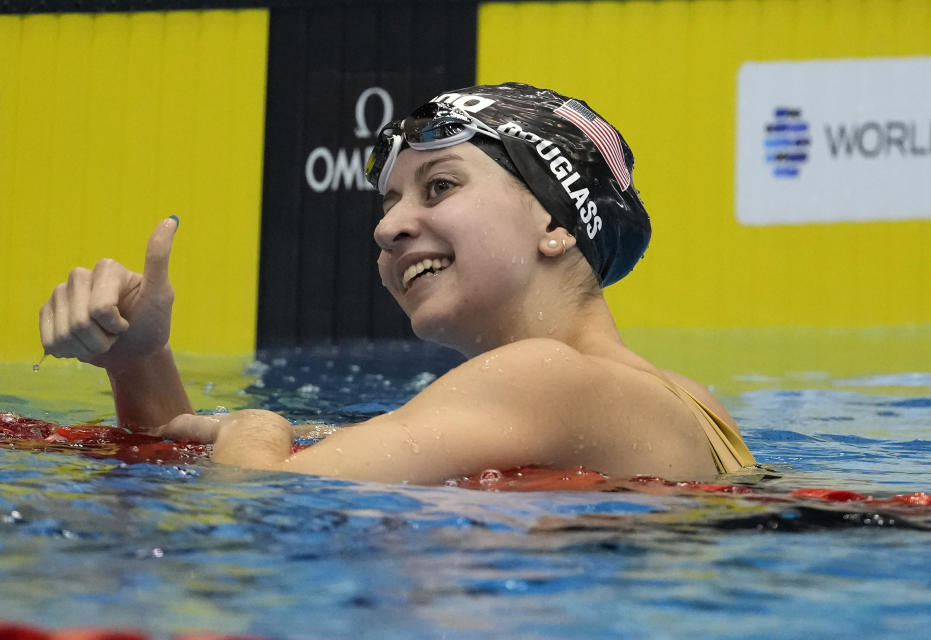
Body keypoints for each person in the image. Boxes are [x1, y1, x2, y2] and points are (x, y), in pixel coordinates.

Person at [38, 82, 755, 484]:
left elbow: (263, 505)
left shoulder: (543, 376)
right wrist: (137, 363)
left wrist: (259, 426)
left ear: (556, 224)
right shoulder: (686, 398)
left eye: (439, 187)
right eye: (387, 206)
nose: (389, 230)